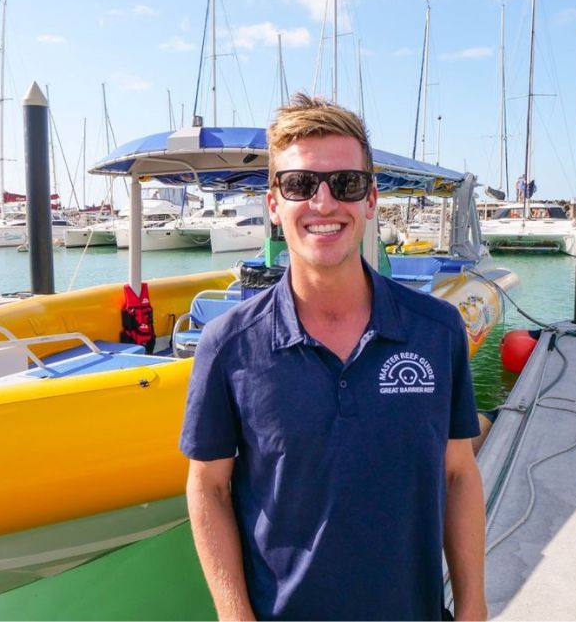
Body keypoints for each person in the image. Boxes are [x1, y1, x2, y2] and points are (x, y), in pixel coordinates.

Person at [180, 93, 487, 621]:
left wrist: (473, 608)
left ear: (370, 199)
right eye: (300, 184)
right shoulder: (228, 344)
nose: (323, 203)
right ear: (274, 203)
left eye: (345, 183)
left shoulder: (436, 331)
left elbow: (458, 473)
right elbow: (208, 487)